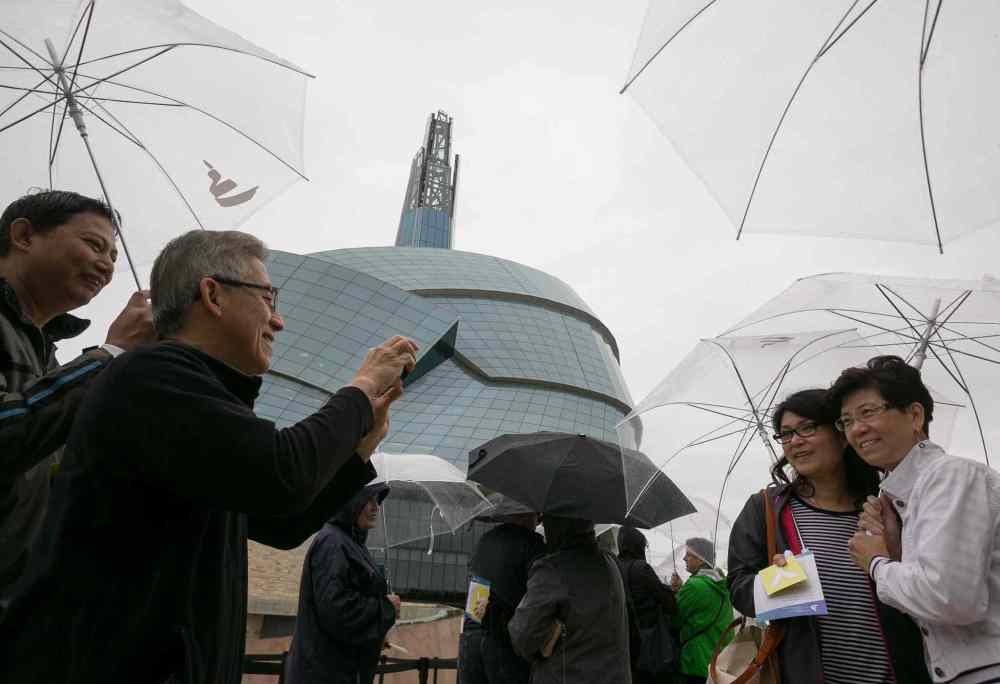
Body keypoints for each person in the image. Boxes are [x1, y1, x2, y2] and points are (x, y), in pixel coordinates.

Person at [0, 229, 417, 684]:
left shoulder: (190, 394)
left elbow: (280, 521)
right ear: (213, 294)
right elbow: (282, 473)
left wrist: (359, 450)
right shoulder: (150, 378)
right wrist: (358, 391)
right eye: (268, 300)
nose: (278, 322)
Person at [0, 189, 155, 601]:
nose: (106, 265)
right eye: (94, 245)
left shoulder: (45, 353)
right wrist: (112, 354)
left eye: (114, 257)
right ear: (23, 236)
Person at [727, 388, 931, 684]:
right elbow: (738, 588)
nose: (795, 442)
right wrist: (779, 582)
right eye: (786, 434)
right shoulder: (767, 508)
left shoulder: (885, 506)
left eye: (808, 428)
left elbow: (923, 583)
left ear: (841, 434)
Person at [834, 356, 1000, 684]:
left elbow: (950, 600)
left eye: (868, 412)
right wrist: (895, 547)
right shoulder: (902, 498)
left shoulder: (950, 477)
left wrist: (877, 563)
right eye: (846, 421)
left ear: (914, 415)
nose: (857, 429)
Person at [284, 482, 399, 684]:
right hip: (325, 674)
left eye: (377, 501)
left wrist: (373, 636)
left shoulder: (350, 543)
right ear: (351, 501)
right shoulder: (333, 543)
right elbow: (337, 611)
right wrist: (386, 608)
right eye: (368, 500)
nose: (375, 507)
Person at [508, 515, 634, 684]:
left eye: (546, 521)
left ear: (558, 525)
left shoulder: (552, 569)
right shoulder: (611, 564)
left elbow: (523, 637)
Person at [458, 499, 544, 684]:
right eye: (537, 515)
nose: (538, 522)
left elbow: (475, 604)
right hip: (505, 647)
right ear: (525, 514)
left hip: (472, 639)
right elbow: (540, 599)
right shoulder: (533, 544)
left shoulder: (485, 541)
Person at [616, 525, 677, 684]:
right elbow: (669, 604)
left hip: (622, 643)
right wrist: (671, 589)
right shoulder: (641, 568)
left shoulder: (612, 565)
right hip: (647, 642)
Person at [670, 537, 732, 684]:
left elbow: (674, 618)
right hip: (718, 660)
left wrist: (675, 593)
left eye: (688, 554)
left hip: (695, 661)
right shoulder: (722, 584)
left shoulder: (694, 586)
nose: (684, 558)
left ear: (701, 559)